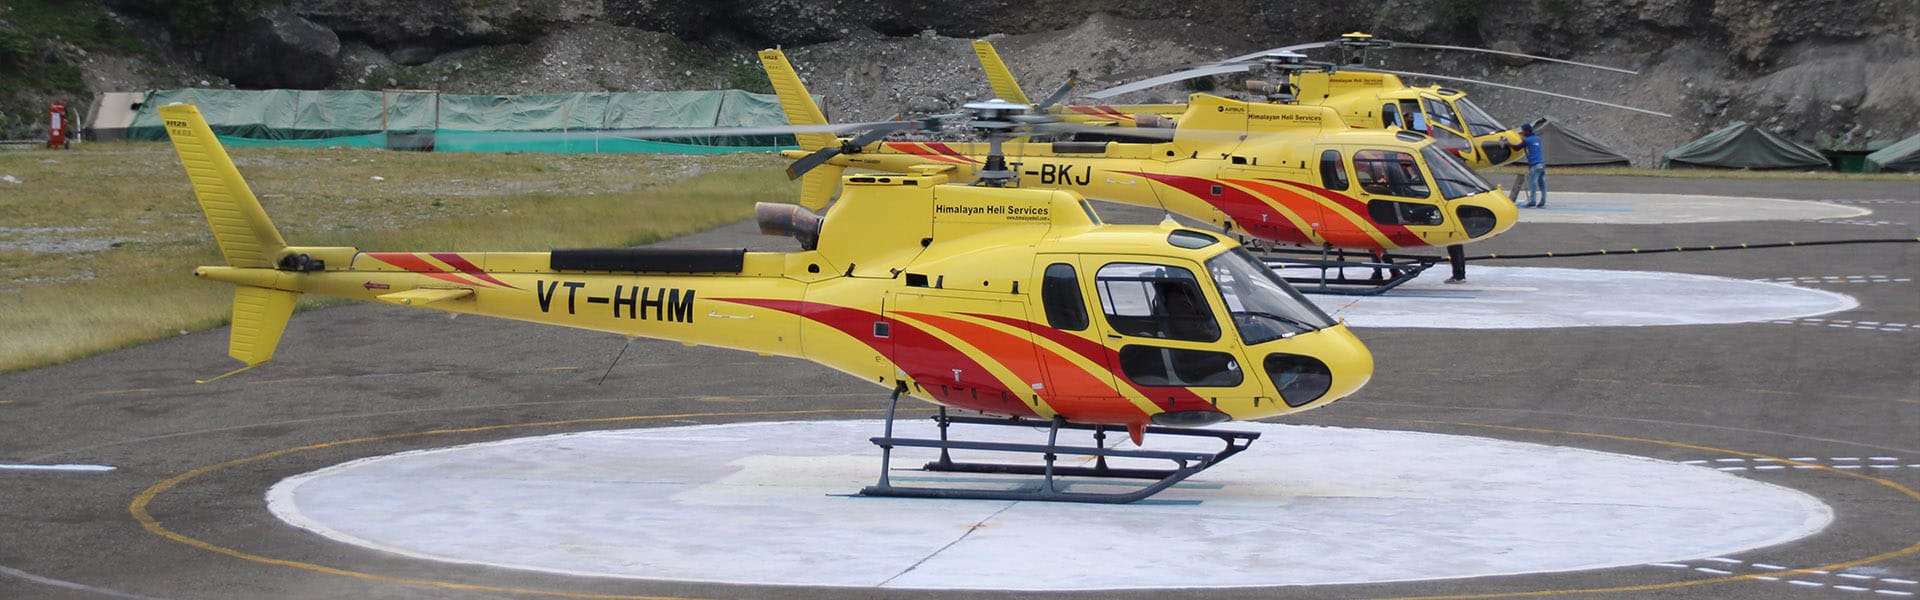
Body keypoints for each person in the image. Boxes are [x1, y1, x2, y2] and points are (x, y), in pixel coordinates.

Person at [1513, 122, 1546, 208]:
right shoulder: (1538, 138)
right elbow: (1529, 140)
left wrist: (1507, 143)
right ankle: (1543, 200)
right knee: (1542, 183)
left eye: (1523, 131)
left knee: (1532, 183)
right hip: (1542, 164)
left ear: (1527, 131)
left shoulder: (1527, 140)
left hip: (1534, 164)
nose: (1522, 132)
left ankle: (1532, 201)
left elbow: (1516, 148)